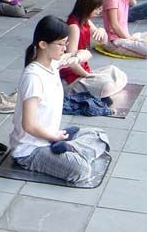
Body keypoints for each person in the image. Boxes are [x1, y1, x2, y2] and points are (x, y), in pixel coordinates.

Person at [10, 15, 109, 183]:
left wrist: (75, 57)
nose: (65, 48)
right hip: (31, 150)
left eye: (66, 43)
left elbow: (86, 54)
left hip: (52, 137)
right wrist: (53, 137)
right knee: (81, 170)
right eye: (61, 44)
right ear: (43, 44)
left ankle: (70, 148)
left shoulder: (54, 63)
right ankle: (72, 151)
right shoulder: (33, 77)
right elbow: (29, 125)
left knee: (100, 135)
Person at [62, 0, 127, 99]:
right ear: (88, 7)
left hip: (84, 71)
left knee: (116, 71)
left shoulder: (86, 21)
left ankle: (103, 85)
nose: (99, 12)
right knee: (107, 86)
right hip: (73, 77)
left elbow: (103, 41)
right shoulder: (74, 27)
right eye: (97, 9)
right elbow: (71, 62)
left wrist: (101, 30)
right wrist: (87, 76)